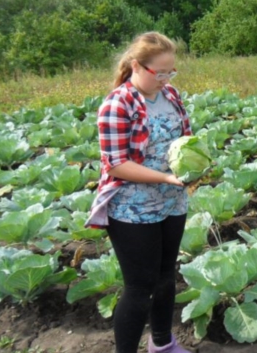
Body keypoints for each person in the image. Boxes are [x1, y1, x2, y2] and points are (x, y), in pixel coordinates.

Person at [86, 32, 192, 353]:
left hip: (172, 201)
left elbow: (184, 140)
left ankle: (162, 344)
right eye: (159, 72)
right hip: (133, 208)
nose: (165, 78)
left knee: (165, 278)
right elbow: (116, 164)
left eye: (170, 71)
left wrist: (193, 166)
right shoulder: (117, 104)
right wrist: (164, 177)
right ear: (137, 66)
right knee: (139, 288)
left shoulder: (171, 95)